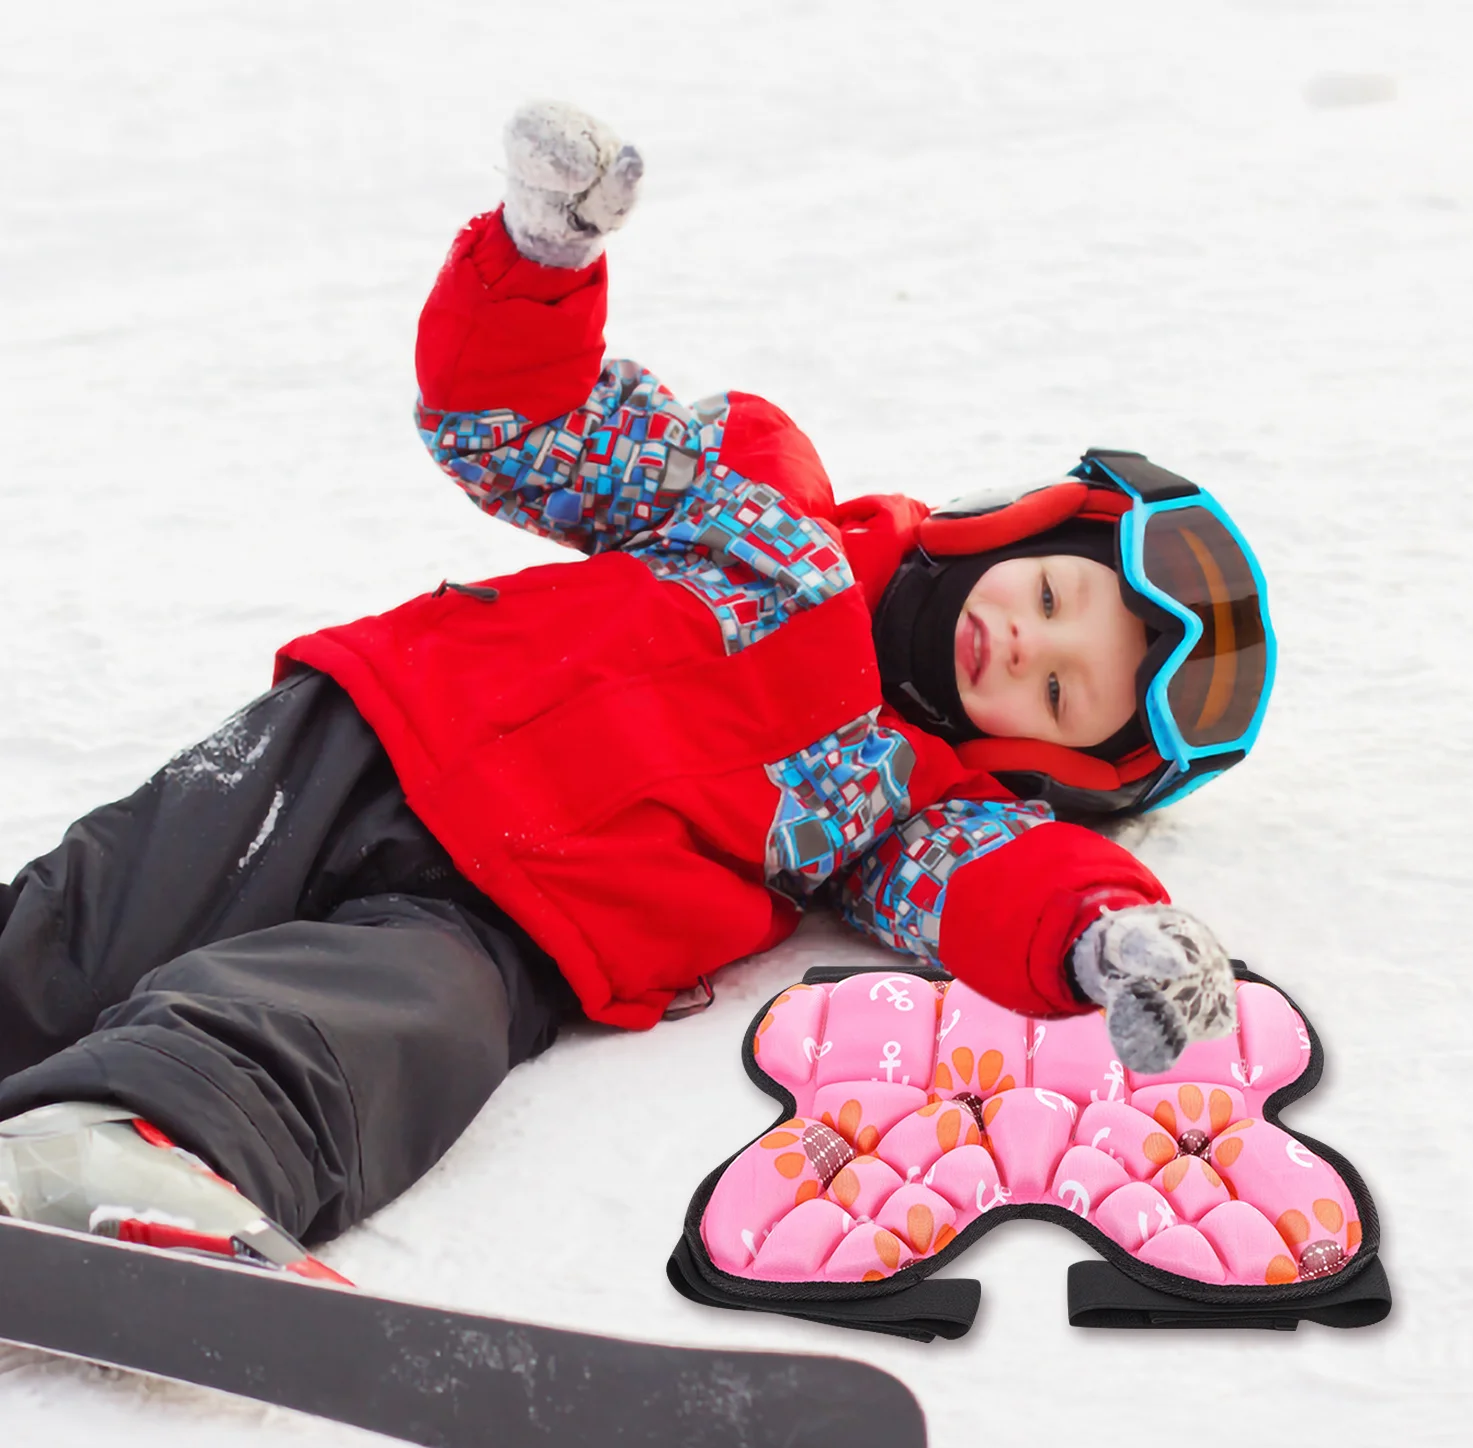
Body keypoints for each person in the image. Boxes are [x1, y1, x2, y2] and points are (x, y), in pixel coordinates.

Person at [0, 102, 1275, 1278]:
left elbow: (1002, 887)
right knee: (100, 915)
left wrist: (1106, 936)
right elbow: (515, 423)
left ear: (1046, 762)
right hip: (370, 739)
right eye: (1051, 599)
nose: (1023, 648)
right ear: (1011, 529)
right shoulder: (766, 512)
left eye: (1059, 694)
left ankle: (127, 1152)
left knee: (391, 1031)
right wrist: (540, 262)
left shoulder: (914, 804)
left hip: (525, 929)